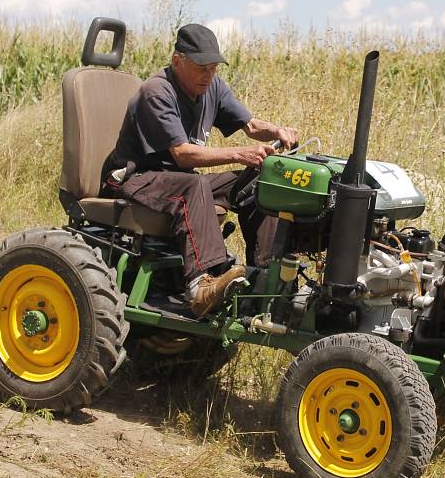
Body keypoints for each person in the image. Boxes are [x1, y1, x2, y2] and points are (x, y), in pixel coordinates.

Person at [100, 23, 299, 317]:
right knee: (194, 187)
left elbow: (251, 125)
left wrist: (277, 130)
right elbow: (182, 155)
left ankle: (266, 277)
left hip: (177, 181)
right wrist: (239, 154)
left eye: (214, 67)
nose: (209, 75)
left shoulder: (212, 87)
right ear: (178, 60)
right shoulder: (157, 91)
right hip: (136, 178)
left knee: (259, 180)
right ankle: (200, 286)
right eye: (202, 67)